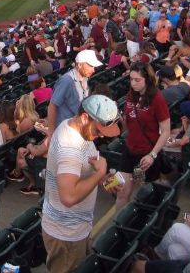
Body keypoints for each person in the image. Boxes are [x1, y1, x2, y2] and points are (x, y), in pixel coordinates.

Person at [42, 95, 120, 272]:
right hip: (66, 233)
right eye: (98, 130)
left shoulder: (76, 127)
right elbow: (68, 197)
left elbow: (87, 166)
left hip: (77, 228)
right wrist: (100, 171)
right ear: (85, 117)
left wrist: (103, 179)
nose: (100, 136)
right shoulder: (70, 148)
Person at [115, 64, 171, 211]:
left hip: (145, 156)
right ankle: (118, 229)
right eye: (131, 79)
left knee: (143, 190)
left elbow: (166, 131)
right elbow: (130, 125)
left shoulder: (157, 99)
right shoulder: (130, 95)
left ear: (147, 79)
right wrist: (119, 119)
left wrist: (152, 155)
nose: (133, 83)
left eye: (137, 80)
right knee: (122, 192)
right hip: (129, 151)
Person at [47, 50, 102, 137]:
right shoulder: (67, 80)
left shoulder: (85, 78)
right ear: (79, 65)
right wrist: (51, 133)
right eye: (91, 66)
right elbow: (52, 105)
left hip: (77, 130)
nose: (93, 70)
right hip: (64, 132)